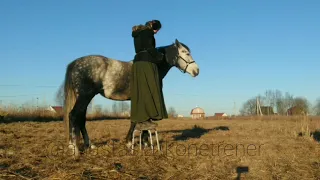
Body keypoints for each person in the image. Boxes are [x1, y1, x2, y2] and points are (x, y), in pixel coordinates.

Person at [129, 20, 168, 145]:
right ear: (153, 27)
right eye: (157, 30)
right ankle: (147, 118)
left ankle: (140, 119)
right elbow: (150, 49)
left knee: (140, 92)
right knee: (150, 90)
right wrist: (160, 57)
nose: (156, 32)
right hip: (146, 63)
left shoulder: (138, 33)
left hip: (137, 63)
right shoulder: (148, 33)